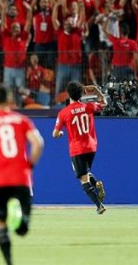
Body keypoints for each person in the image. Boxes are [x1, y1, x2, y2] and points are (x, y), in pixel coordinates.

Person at [0, 85, 44, 265]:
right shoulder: (22, 120)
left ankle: (9, 262)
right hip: (21, 177)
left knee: (1, 225)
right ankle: (22, 221)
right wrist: (30, 165)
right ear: (9, 99)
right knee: (22, 230)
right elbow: (38, 144)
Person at [52, 81, 107, 214]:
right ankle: (97, 183)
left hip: (77, 149)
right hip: (91, 147)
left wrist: (60, 132)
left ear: (68, 94)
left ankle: (99, 206)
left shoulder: (64, 113)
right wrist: (96, 91)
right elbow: (104, 103)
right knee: (85, 172)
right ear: (81, 93)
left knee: (83, 180)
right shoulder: (89, 107)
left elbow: (54, 134)